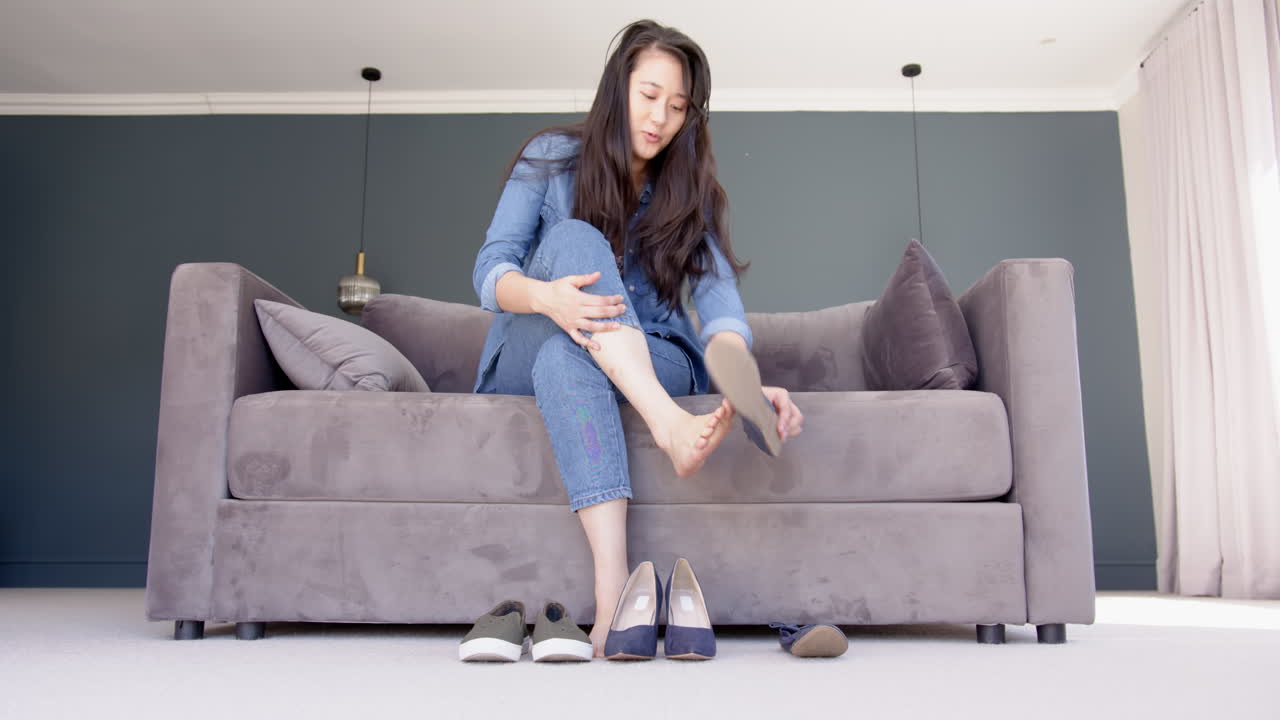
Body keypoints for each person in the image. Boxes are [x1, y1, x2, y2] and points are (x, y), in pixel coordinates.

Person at [471, 19, 804, 657]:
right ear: (618, 86)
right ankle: (668, 424)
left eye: (677, 107)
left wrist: (746, 390)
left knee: (568, 354)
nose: (659, 119)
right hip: (527, 339)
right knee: (574, 243)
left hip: (649, 354)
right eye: (649, 95)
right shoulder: (550, 157)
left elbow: (722, 314)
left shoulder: (692, 195)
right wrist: (548, 298)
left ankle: (613, 599)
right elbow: (490, 271)